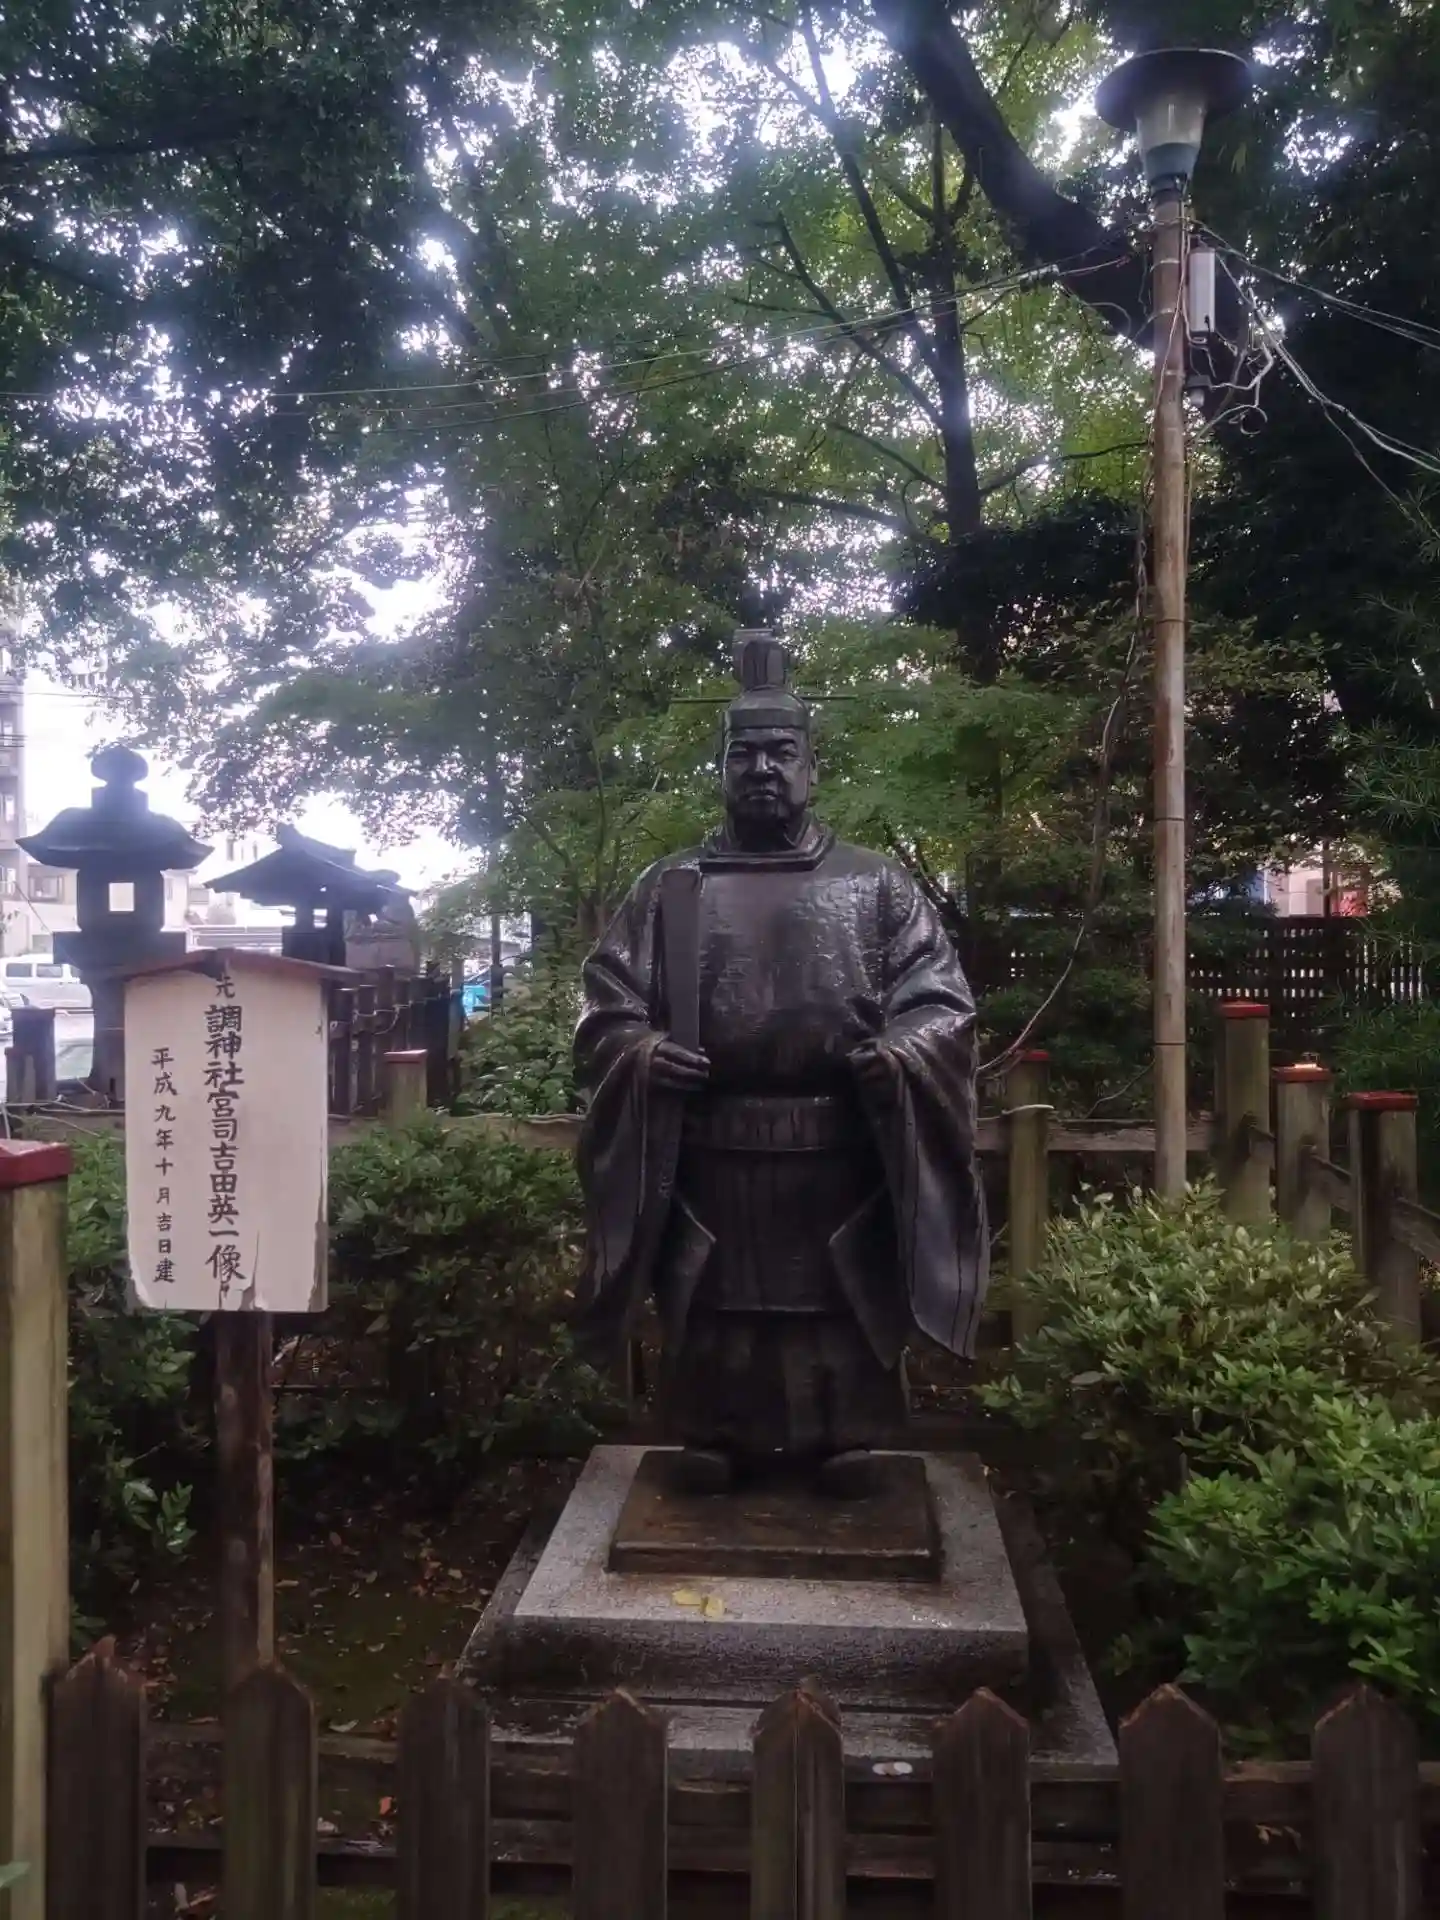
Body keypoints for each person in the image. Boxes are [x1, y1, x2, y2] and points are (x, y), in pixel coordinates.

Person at [574, 632, 988, 1493]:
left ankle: (846, 1438)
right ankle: (711, 1434)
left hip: (840, 1149)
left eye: (781, 753)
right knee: (712, 1295)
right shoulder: (668, 886)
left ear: (811, 767)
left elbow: (941, 1005)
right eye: (744, 754)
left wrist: (899, 1054)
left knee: (837, 1299)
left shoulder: (877, 885)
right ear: (721, 767)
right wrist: (644, 1054)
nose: (761, 769)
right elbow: (607, 1008)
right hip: (708, 1148)